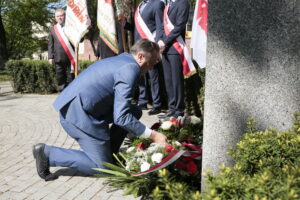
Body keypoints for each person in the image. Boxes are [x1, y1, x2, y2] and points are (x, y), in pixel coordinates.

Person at [32, 39, 168, 181]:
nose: (152, 67)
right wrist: (153, 135)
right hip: (77, 115)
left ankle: (109, 152)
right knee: (103, 168)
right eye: (152, 62)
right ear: (140, 56)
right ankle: (47, 153)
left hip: (85, 108)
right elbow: (121, 117)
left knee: (135, 111)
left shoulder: (124, 59)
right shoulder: (130, 68)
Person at [158, 0, 190, 118]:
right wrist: (160, 40)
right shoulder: (168, 4)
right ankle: (171, 108)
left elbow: (180, 26)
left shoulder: (183, 3)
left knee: (176, 80)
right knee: (168, 80)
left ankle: (179, 109)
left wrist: (164, 41)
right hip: (165, 49)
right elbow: (162, 26)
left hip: (176, 48)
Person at [134, 0, 164, 115]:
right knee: (141, 75)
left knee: (153, 76)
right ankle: (143, 101)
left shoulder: (157, 4)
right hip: (139, 47)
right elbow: (136, 28)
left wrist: (156, 46)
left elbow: (159, 26)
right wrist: (125, 24)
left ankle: (157, 104)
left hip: (150, 46)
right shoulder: (140, 6)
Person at [48, 9, 75, 92]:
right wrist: (50, 57)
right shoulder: (53, 29)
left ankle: (71, 95)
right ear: (55, 18)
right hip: (58, 58)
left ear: (65, 16)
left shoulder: (71, 27)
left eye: (61, 15)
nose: (60, 18)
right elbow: (50, 44)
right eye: (58, 16)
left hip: (70, 58)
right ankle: (62, 95)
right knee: (60, 78)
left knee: (71, 78)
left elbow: (78, 40)